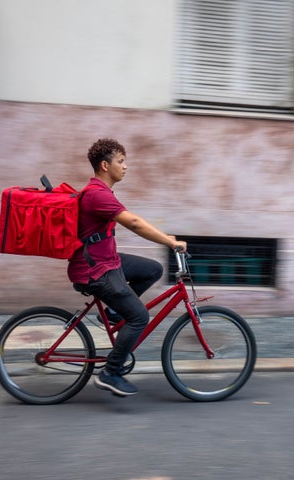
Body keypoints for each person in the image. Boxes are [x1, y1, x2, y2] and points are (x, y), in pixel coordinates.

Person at [68, 138, 187, 397]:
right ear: (104, 165)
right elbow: (133, 222)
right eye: (120, 161)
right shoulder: (97, 194)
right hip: (95, 269)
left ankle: (112, 313)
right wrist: (169, 241)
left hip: (106, 260)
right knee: (140, 317)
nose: (125, 166)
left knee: (153, 269)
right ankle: (110, 373)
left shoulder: (102, 191)